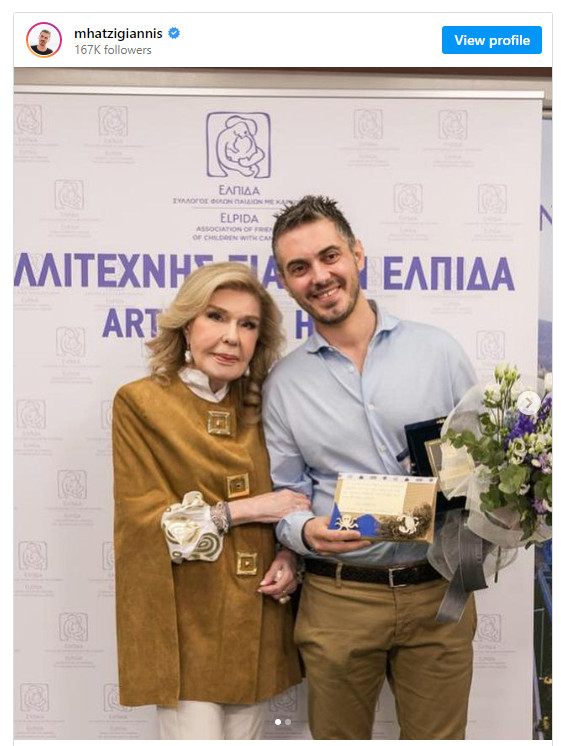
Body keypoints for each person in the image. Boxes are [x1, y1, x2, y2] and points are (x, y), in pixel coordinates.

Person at [262, 195, 479, 740]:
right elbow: (285, 494)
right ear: (285, 282)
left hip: (438, 594)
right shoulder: (284, 384)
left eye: (329, 256)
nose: (319, 276)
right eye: (299, 267)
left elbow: (482, 465)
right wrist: (304, 531)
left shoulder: (438, 351)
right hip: (339, 599)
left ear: (357, 254)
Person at [112, 262, 307, 740]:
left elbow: (295, 496)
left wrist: (289, 557)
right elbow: (144, 527)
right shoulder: (140, 404)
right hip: (186, 630)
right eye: (216, 317)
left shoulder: (267, 403)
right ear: (186, 325)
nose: (231, 338)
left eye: (248, 324)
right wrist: (244, 510)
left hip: (258, 624)